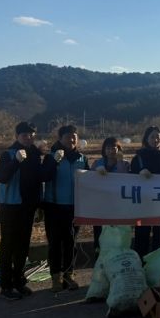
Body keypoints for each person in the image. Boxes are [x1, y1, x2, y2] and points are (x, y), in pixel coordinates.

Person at [0, 121, 47, 300]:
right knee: (8, 245)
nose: (29, 137)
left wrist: (39, 205)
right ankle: (6, 286)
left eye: (32, 134)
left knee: (23, 246)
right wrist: (16, 161)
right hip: (10, 206)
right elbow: (1, 177)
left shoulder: (35, 155)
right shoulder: (8, 154)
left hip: (28, 207)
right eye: (25, 135)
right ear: (17, 136)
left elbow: (38, 180)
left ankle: (19, 281)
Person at [44, 125, 89, 292]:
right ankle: (56, 278)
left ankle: (69, 275)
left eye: (74, 137)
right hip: (53, 207)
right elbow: (44, 176)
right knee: (55, 243)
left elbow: (88, 181)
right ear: (60, 139)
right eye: (68, 137)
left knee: (71, 243)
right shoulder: (51, 157)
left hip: (74, 207)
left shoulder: (82, 159)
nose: (72, 140)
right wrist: (54, 161)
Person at [130, 125, 160, 258]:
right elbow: (130, 175)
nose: (155, 139)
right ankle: (141, 265)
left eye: (158, 136)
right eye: (152, 136)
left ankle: (158, 268)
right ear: (146, 139)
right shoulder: (139, 157)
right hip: (143, 204)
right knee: (141, 236)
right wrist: (139, 172)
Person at [90, 137, 130, 255]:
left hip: (118, 205)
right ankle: (99, 254)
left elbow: (127, 179)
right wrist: (97, 171)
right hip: (100, 205)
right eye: (108, 148)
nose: (111, 150)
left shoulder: (125, 164)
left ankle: (118, 254)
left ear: (118, 149)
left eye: (114, 148)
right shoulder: (97, 163)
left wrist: (120, 162)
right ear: (104, 150)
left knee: (118, 231)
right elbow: (89, 180)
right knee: (99, 231)